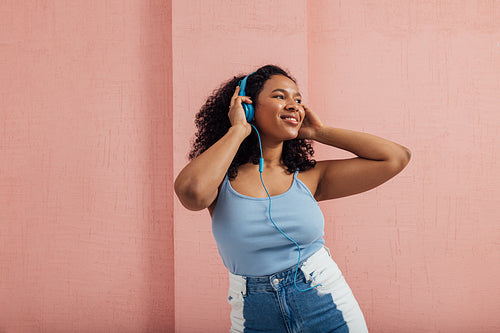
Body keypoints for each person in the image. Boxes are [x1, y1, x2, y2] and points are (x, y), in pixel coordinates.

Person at [174, 65, 411, 332]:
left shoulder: (311, 177)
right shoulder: (221, 179)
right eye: (280, 96)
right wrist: (238, 129)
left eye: (297, 99)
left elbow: (396, 157)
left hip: (326, 304)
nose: (293, 105)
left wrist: (319, 132)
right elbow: (191, 194)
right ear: (247, 105)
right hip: (254, 314)